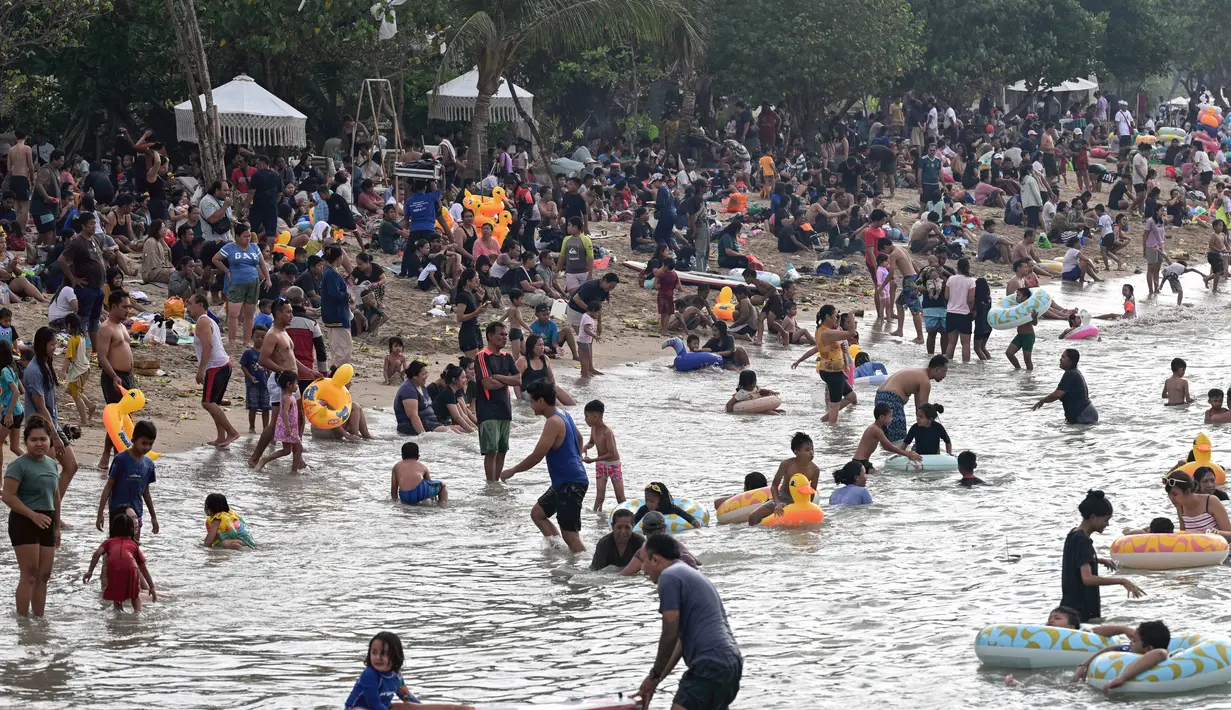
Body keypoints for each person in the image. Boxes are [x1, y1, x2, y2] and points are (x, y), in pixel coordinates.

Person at [636, 534, 742, 710]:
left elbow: (669, 632)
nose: (642, 568)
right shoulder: (687, 573)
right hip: (730, 663)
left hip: (708, 664)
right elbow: (679, 642)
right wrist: (656, 679)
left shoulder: (669, 576)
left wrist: (654, 673)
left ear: (655, 560)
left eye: (642, 561)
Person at [500, 380, 589, 553]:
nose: (530, 405)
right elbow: (579, 438)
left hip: (570, 484)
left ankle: (585, 564)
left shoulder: (553, 422)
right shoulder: (563, 413)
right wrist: (576, 460)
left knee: (571, 536)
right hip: (565, 481)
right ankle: (559, 551)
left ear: (541, 400)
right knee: (538, 514)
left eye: (532, 401)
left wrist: (513, 470)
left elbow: (537, 456)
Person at [2, 416, 62, 616]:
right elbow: (7, 496)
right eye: (33, 440)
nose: (39, 443)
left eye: (43, 439)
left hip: (47, 521)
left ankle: (39, 622)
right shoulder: (18, 465)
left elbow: (55, 497)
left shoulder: (52, 464)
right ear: (26, 441)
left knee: (44, 576)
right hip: (23, 521)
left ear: (49, 440)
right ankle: (23, 623)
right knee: (29, 575)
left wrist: (57, 527)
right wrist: (32, 515)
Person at [1061, 489, 1143, 622]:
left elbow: (1075, 560)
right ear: (1093, 517)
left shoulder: (1073, 534)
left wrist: (1098, 560)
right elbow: (1087, 579)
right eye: (1106, 520)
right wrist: (1122, 581)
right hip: (1080, 609)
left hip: (1069, 606)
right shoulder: (1083, 540)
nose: (1107, 524)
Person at [344, 631, 473, 710]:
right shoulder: (369, 674)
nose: (377, 658)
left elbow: (407, 698)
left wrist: (420, 707)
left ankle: (460, 709)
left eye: (383, 653)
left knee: (408, 707)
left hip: (381, 707)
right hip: (358, 708)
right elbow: (374, 703)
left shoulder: (396, 675)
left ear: (395, 655)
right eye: (374, 652)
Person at [23, 328, 78, 497]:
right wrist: (54, 436)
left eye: (56, 344)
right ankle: (46, 507)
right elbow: (41, 407)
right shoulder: (34, 371)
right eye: (52, 344)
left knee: (71, 466)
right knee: (48, 474)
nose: (55, 348)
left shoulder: (46, 362)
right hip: (40, 428)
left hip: (52, 423)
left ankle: (53, 506)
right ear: (42, 345)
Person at [188, 293, 240, 448]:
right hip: (223, 365)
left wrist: (201, 370)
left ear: (200, 305)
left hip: (216, 366)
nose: (187, 307)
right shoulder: (209, 320)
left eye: (190, 303)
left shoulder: (203, 321)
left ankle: (232, 432)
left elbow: (208, 346)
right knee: (214, 403)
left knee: (208, 402)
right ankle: (221, 437)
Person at [791, 305, 858, 423]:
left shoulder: (822, 330)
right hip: (832, 373)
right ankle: (832, 430)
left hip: (833, 371)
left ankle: (824, 419)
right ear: (827, 316)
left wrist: (799, 360)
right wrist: (851, 316)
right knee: (835, 405)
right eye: (835, 316)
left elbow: (817, 349)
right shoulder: (826, 333)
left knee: (851, 397)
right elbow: (851, 333)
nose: (836, 318)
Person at [94, 419, 158, 542]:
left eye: (151, 444)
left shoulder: (149, 464)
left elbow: (146, 491)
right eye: (144, 443)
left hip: (136, 513)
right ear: (133, 440)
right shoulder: (121, 459)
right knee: (114, 545)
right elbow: (108, 486)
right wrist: (100, 513)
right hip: (118, 513)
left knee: (134, 546)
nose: (147, 447)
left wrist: (153, 517)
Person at [83, 511, 155, 612]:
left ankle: (118, 613)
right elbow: (143, 568)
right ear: (131, 530)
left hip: (114, 569)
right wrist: (151, 587)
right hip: (131, 570)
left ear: (113, 528)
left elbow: (97, 554)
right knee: (135, 595)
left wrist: (90, 571)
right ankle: (137, 613)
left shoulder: (108, 542)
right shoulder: (133, 545)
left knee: (117, 597)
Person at [1073, 621, 1171, 695]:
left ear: (1148, 648)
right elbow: (1113, 648)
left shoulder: (1161, 654)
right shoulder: (1131, 650)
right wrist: (1084, 665)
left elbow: (1160, 653)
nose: (1130, 642)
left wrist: (1122, 678)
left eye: (1134, 641)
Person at [213, 222, 270, 349]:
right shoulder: (229, 247)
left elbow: (262, 264)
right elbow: (215, 259)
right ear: (237, 236)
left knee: (249, 314)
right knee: (233, 313)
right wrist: (226, 271)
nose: (248, 239)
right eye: (245, 236)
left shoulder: (254, 247)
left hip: (253, 282)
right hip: (236, 283)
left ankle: (246, 341)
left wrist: (268, 279)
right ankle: (232, 341)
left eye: (249, 236)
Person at [476, 322, 519, 482]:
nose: (505, 337)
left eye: (506, 335)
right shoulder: (482, 356)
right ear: (490, 336)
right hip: (488, 409)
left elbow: (518, 379)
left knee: (502, 451)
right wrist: (507, 380)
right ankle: (491, 484)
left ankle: (495, 486)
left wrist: (499, 377)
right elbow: (488, 384)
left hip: (505, 409)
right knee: (491, 451)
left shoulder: (507, 357)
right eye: (501, 334)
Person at [748, 432, 820, 525]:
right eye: (807, 450)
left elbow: (812, 492)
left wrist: (805, 507)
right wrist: (777, 503)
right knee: (753, 517)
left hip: (800, 501)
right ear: (796, 452)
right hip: (783, 498)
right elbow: (774, 486)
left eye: (812, 449)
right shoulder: (787, 464)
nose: (811, 452)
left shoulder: (815, 470)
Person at [875, 355, 949, 444]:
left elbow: (920, 410)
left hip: (879, 396)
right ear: (937, 369)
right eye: (944, 371)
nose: (945, 375)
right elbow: (925, 413)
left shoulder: (919, 374)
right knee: (898, 438)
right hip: (891, 399)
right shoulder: (925, 381)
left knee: (885, 437)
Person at [255, 371, 306, 472]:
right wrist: (287, 427)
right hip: (288, 428)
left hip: (292, 428)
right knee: (297, 448)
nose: (297, 386)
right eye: (296, 383)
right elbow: (285, 413)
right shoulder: (287, 398)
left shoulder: (291, 396)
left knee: (288, 450)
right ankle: (293, 471)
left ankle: (292, 470)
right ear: (289, 384)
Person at [850, 402, 920, 472]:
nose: (892, 419)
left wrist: (901, 453)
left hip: (862, 461)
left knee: (878, 475)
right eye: (890, 416)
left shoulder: (876, 428)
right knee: (879, 475)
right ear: (881, 417)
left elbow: (886, 447)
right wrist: (907, 453)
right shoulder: (876, 429)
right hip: (860, 462)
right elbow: (889, 446)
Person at [1033, 348, 1098, 424]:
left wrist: (1042, 401)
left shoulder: (1070, 374)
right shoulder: (1075, 372)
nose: (1060, 359)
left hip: (1083, 415)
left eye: (1063, 357)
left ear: (1070, 361)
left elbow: (1057, 394)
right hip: (1085, 414)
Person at [581, 399, 623, 511]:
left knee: (620, 497)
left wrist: (593, 460)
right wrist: (586, 447)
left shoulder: (607, 432)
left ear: (595, 416)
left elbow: (611, 454)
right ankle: (597, 519)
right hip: (601, 466)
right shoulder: (593, 428)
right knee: (599, 497)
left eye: (586, 416)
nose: (585, 419)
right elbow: (592, 442)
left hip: (614, 465)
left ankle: (627, 516)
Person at [1165, 471, 1231, 539]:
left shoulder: (1211, 501)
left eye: (1174, 494)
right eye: (1169, 494)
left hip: (1219, 545)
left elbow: (1229, 534)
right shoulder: (1180, 507)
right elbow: (1184, 536)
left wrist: (1216, 534)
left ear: (1187, 491)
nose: (1171, 498)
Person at [61, 313, 94, 429]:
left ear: (69, 326)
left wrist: (63, 370)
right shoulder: (82, 337)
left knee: (76, 396)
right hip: (85, 368)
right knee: (72, 391)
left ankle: (84, 420)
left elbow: (68, 357)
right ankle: (90, 405)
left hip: (78, 371)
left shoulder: (73, 339)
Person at [392, 442, 448, 507]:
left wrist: (395, 501)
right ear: (418, 456)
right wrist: (432, 499)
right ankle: (442, 506)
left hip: (404, 496)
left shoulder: (396, 467)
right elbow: (429, 483)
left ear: (402, 456)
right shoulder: (422, 466)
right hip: (419, 491)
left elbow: (394, 489)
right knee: (442, 486)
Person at [943, 257, 976, 363]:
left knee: (951, 342)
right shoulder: (971, 281)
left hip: (951, 313)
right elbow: (970, 300)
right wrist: (972, 311)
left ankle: (948, 365)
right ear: (968, 268)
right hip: (964, 314)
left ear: (957, 268)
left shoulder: (951, 279)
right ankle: (965, 367)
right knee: (965, 344)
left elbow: (947, 296)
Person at [631, 481, 701, 529]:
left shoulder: (670, 508)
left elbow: (685, 515)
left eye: (652, 501)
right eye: (646, 500)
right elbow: (634, 520)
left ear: (661, 500)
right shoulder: (644, 509)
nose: (648, 504)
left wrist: (695, 523)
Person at [241, 327, 271, 432]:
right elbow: (243, 366)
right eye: (257, 336)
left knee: (266, 408)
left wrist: (271, 379)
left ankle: (265, 428)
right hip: (252, 384)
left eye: (263, 337)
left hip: (265, 384)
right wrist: (249, 376)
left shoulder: (267, 353)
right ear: (252, 337)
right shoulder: (248, 352)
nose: (260, 339)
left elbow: (270, 367)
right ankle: (252, 427)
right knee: (252, 407)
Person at [1004, 288, 1040, 371]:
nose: (1016, 297)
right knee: (1009, 353)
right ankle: (1018, 370)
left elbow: (1034, 324)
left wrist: (1034, 318)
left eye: (1018, 295)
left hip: (1028, 337)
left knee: (1027, 359)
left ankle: (1028, 376)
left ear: (1024, 298)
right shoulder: (1016, 308)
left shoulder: (1029, 308)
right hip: (1019, 336)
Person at [972, 278, 993, 361]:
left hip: (980, 327)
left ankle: (983, 364)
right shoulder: (989, 299)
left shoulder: (977, 300)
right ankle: (989, 361)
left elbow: (975, 314)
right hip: (988, 326)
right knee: (983, 348)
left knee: (977, 349)